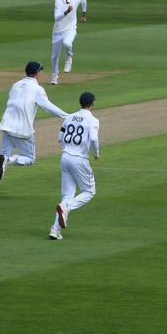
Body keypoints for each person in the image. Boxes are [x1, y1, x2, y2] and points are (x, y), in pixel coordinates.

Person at [0, 62, 68, 202]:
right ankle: (8, 160)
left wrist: (30, 118)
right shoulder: (37, 89)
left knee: (2, 157)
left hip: (7, 126)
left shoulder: (16, 85)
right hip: (22, 131)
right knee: (29, 159)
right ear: (37, 73)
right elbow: (48, 107)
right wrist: (66, 116)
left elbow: (16, 103)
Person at [49, 91, 100, 240]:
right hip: (79, 159)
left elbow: (60, 138)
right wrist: (96, 154)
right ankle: (67, 207)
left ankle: (55, 229)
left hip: (65, 157)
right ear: (92, 104)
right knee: (89, 191)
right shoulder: (93, 120)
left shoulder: (69, 117)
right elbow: (94, 139)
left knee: (67, 195)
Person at [50, 0, 88, 85]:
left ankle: (69, 59)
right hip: (57, 31)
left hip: (70, 29)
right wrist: (66, 12)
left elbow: (84, 0)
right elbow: (56, 17)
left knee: (67, 43)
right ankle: (54, 77)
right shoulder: (58, 1)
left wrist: (84, 15)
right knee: (54, 56)